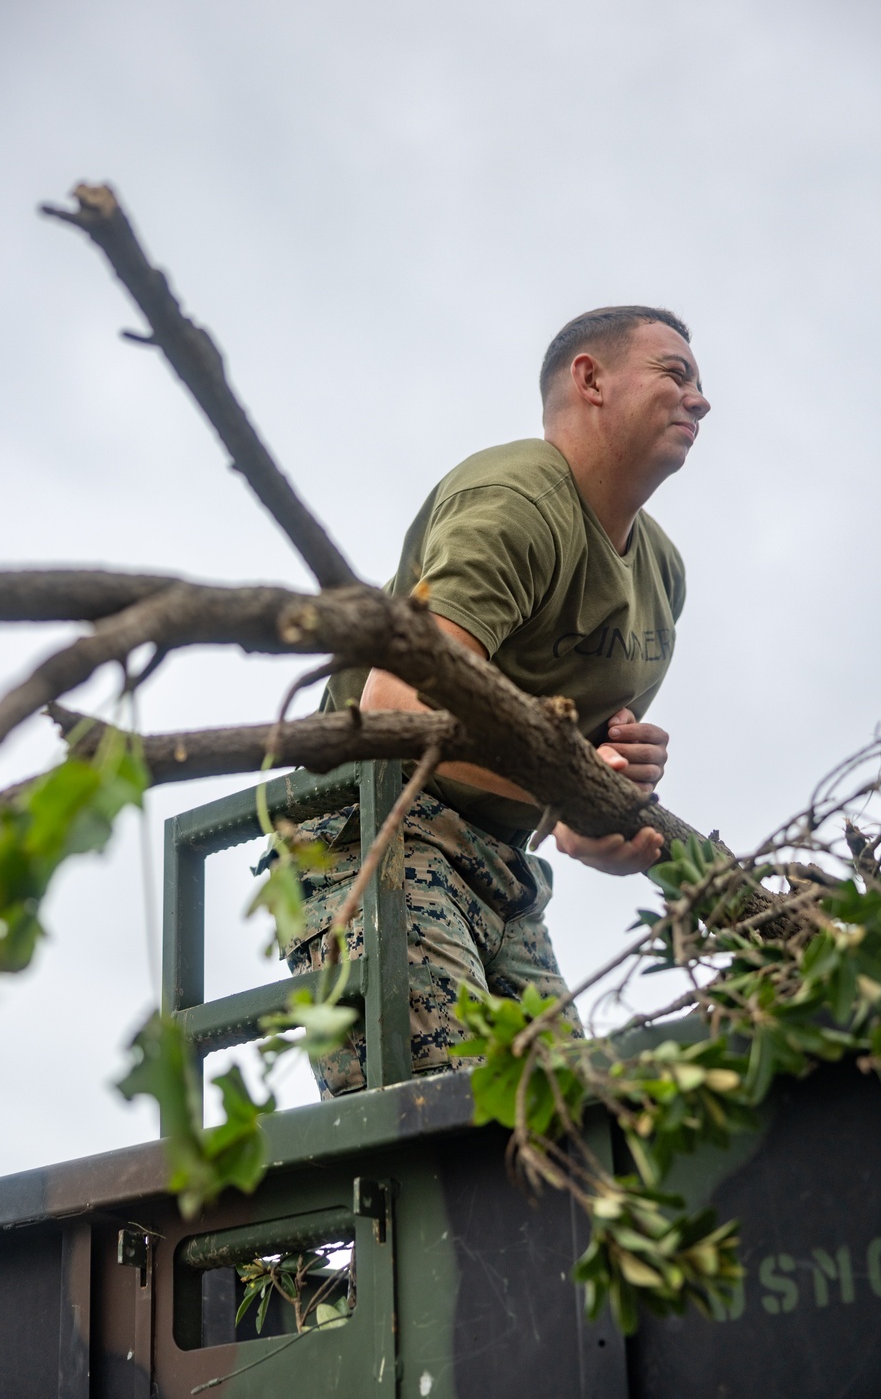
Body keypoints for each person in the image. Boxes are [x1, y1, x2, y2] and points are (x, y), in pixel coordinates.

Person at [285, 305, 709, 1096]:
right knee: (447, 1121)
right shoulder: (517, 499)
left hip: (504, 864)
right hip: (376, 824)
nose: (700, 399)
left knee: (573, 1128)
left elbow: (573, 812)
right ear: (591, 379)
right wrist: (577, 781)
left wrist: (605, 807)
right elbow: (397, 708)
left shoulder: (663, 578)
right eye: (675, 373)